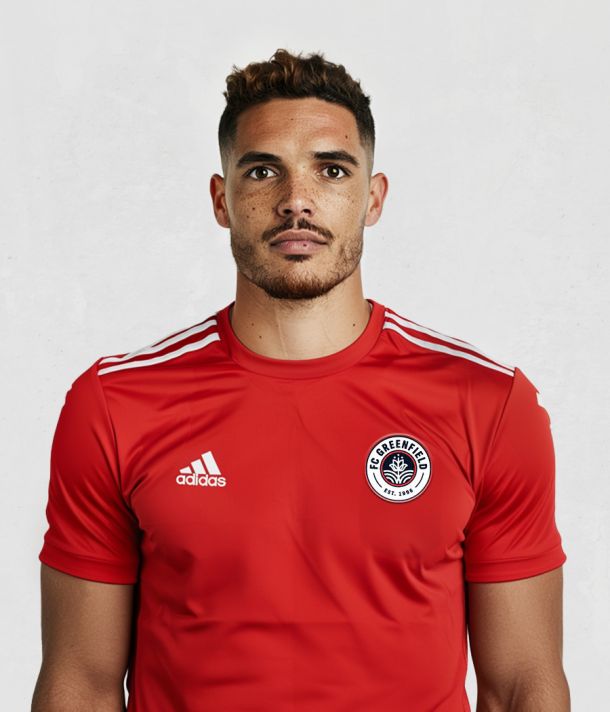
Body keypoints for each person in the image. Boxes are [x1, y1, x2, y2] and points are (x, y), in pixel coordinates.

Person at [33, 48, 570, 711]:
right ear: (222, 200)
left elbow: (521, 686)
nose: (296, 201)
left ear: (373, 198)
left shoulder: (487, 403)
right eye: (263, 171)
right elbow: (81, 685)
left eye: (331, 170)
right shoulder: (117, 404)